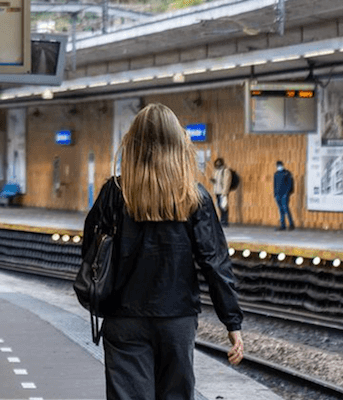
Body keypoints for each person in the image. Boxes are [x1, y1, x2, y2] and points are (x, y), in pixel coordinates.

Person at [82, 103, 244, 400]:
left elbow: (91, 252)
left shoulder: (114, 193)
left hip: (124, 318)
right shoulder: (194, 196)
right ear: (179, 144)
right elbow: (215, 262)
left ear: (132, 144)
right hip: (177, 320)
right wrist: (231, 322)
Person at [273, 160, 295, 231]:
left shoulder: (287, 173)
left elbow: (290, 184)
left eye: (279, 165)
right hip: (278, 195)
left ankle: (291, 224)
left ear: (282, 165)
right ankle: (283, 225)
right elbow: (274, 185)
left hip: (284, 195)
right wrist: (275, 194)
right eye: (277, 166)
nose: (279, 167)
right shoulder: (276, 174)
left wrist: (287, 193)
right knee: (281, 210)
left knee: (286, 209)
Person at [211, 157, 231, 227]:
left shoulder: (225, 171)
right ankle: (222, 219)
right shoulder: (216, 171)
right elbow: (217, 181)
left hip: (222, 192)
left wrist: (225, 192)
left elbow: (227, 182)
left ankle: (224, 220)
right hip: (217, 191)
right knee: (219, 206)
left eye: (219, 163)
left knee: (224, 206)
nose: (217, 164)